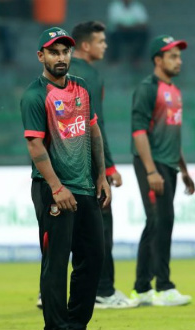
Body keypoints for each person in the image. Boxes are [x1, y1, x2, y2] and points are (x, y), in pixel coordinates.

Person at [21, 27, 111, 330]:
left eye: (65, 51)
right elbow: (35, 145)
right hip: (53, 191)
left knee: (94, 257)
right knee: (56, 263)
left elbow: (93, 129)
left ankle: (76, 324)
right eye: (54, 52)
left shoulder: (82, 87)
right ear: (41, 56)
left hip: (86, 186)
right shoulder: (35, 95)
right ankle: (56, 326)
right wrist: (57, 187)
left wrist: (101, 175)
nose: (61, 57)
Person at [69, 20, 134, 309]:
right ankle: (104, 290)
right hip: (86, 166)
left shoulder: (59, 73)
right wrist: (106, 167)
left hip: (61, 163)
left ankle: (51, 291)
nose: (105, 45)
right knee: (101, 226)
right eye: (100, 41)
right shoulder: (90, 76)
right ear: (85, 45)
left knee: (64, 232)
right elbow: (96, 124)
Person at [129, 34, 195, 307]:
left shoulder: (175, 91)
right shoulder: (147, 89)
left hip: (168, 165)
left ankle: (142, 288)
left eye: (179, 56)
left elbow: (172, 135)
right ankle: (164, 287)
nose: (178, 61)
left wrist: (183, 169)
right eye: (172, 56)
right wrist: (151, 171)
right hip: (152, 165)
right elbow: (139, 132)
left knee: (155, 223)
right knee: (162, 220)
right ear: (157, 59)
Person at [106, 0, 149, 64]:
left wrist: (130, 27)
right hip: (119, 32)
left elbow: (143, 23)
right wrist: (129, 27)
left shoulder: (137, 6)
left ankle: (136, 58)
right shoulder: (115, 6)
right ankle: (114, 59)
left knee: (144, 34)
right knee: (114, 34)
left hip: (133, 32)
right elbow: (115, 23)